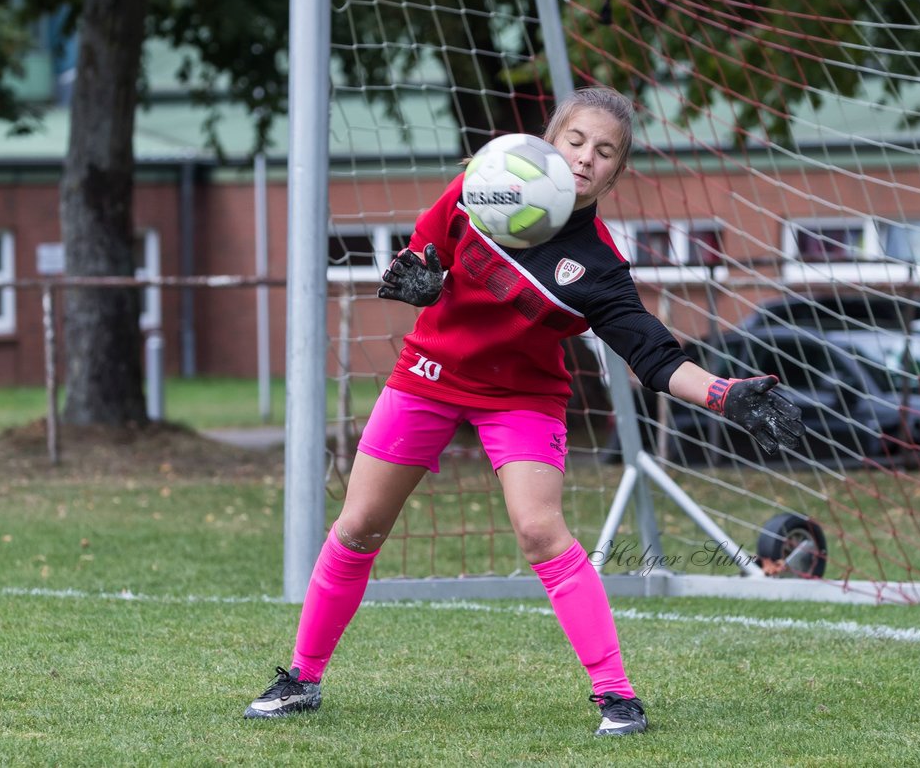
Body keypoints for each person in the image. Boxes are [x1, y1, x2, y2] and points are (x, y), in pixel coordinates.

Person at [243, 86, 803, 736]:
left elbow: (653, 355)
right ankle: (302, 678)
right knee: (360, 523)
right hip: (429, 374)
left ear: (616, 173)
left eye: (605, 152)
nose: (587, 158)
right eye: (576, 141)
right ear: (550, 140)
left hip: (523, 395)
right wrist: (417, 277)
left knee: (540, 529)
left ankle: (617, 697)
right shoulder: (480, 187)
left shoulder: (597, 266)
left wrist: (725, 393)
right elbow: (421, 258)